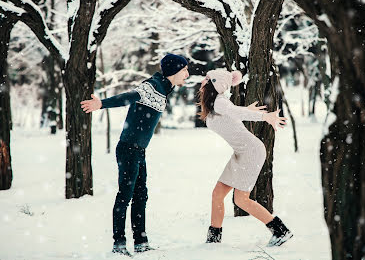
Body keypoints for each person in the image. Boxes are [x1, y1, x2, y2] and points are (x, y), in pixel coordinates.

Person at [80, 54, 189, 256]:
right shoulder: (152, 86)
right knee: (126, 195)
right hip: (128, 148)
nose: (187, 75)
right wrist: (101, 104)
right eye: (185, 71)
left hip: (139, 150)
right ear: (174, 71)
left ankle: (140, 241)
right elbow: (128, 97)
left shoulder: (165, 88)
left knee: (141, 195)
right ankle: (119, 244)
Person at [197, 69, 293, 247]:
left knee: (241, 199)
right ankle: (213, 241)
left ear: (214, 83)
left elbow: (235, 113)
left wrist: (264, 116)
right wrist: (245, 111)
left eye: (207, 79)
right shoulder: (218, 103)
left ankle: (280, 231)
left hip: (251, 151)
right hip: (241, 152)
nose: (202, 82)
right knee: (217, 195)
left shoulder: (219, 102)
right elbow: (235, 115)